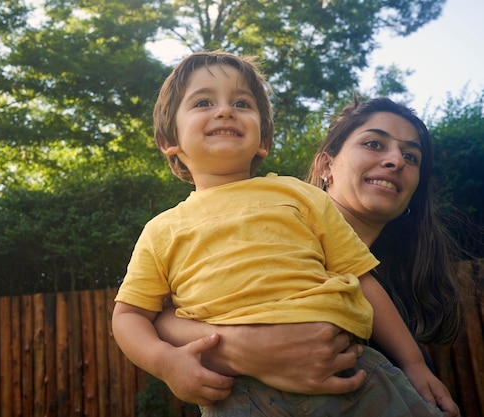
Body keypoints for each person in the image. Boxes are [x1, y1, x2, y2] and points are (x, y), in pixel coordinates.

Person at [111, 50, 458, 416]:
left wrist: (414, 364)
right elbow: (130, 316)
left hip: (353, 372)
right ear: (169, 141)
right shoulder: (160, 230)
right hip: (237, 394)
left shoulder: (300, 196)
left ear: (263, 139)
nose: (225, 110)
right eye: (203, 102)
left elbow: (362, 279)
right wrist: (166, 363)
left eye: (242, 102)